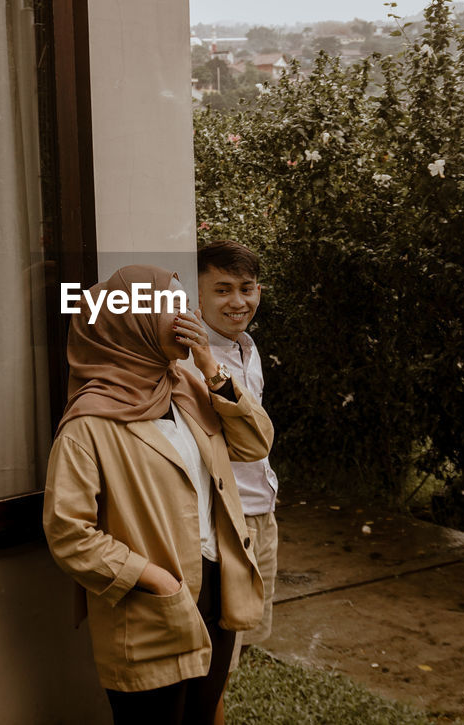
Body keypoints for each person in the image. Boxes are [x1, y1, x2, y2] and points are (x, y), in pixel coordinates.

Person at [43, 264, 273, 725]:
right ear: (134, 321)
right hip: (152, 606)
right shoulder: (90, 423)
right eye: (170, 306)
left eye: (183, 302)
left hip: (217, 593)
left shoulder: (186, 386)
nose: (186, 314)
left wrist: (210, 366)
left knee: (203, 716)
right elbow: (69, 531)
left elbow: (254, 443)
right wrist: (152, 578)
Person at [188, 241, 277, 724]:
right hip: (226, 524)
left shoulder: (247, 346)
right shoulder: (188, 358)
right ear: (197, 296)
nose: (238, 301)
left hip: (262, 510)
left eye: (246, 288)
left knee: (243, 636)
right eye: (222, 289)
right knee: (217, 653)